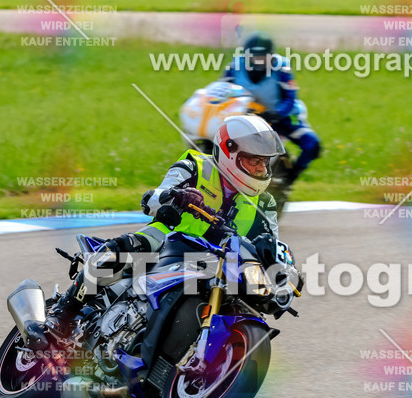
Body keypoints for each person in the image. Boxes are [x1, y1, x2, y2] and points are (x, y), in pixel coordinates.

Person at [39, 114, 285, 344]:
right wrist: (175, 196)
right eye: (254, 161)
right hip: (167, 240)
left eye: (264, 162)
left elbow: (268, 245)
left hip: (215, 264)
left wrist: (284, 273)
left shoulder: (264, 204)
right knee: (123, 248)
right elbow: (152, 200)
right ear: (230, 152)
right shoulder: (195, 167)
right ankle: (64, 311)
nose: (261, 169)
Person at [222, 33, 321, 193]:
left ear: (272, 56)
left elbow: (290, 97)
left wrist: (276, 113)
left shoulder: (282, 67)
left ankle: (289, 180)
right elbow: (220, 90)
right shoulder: (234, 67)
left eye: (264, 56)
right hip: (247, 118)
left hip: (282, 117)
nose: (259, 61)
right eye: (255, 56)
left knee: (312, 145)